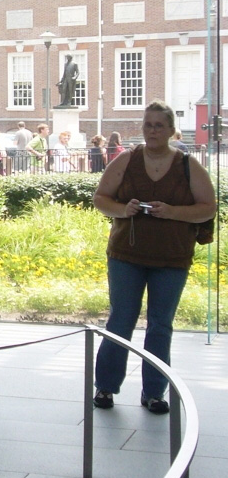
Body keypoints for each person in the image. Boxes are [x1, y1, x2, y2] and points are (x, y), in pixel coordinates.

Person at [91, 101, 215, 415]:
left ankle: (154, 393)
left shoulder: (188, 165)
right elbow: (100, 199)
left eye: (159, 125)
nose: (152, 131)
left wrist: (172, 212)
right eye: (148, 125)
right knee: (120, 320)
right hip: (126, 256)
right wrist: (123, 209)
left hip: (172, 259)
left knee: (160, 326)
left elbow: (208, 207)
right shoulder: (126, 160)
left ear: (172, 130)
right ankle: (105, 386)